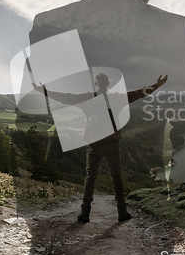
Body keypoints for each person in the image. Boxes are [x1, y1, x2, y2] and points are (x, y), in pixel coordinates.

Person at [25, 0, 185, 217]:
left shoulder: (47, 24)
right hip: (143, 179)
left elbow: (46, 102)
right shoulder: (176, 28)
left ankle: (84, 211)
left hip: (65, 177)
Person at [32, 73, 168, 222]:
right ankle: (122, 212)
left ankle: (85, 213)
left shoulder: (88, 98)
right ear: (108, 83)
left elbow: (65, 97)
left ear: (95, 83)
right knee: (117, 177)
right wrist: (156, 85)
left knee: (90, 178)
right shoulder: (116, 98)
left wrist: (43, 91)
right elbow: (139, 93)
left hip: (94, 143)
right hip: (112, 143)